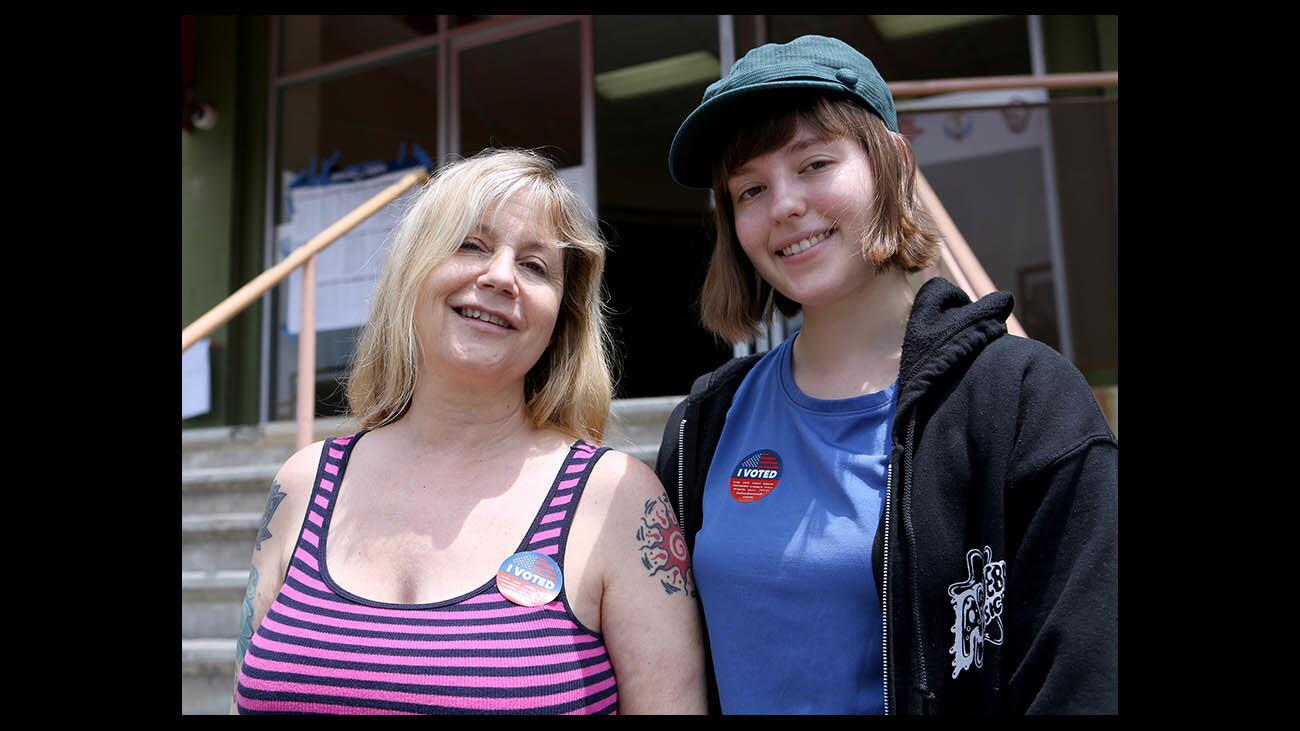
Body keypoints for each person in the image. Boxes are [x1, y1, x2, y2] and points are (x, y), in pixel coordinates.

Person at [654, 35, 1117, 715]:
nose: (783, 204)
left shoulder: (1022, 402)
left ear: (894, 163)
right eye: (750, 187)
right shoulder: (705, 424)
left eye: (814, 162)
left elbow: (1084, 681)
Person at [230, 149, 706, 715]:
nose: (501, 276)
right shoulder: (304, 484)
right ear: (413, 272)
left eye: (535, 267)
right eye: (471, 245)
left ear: (561, 318)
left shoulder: (618, 499)